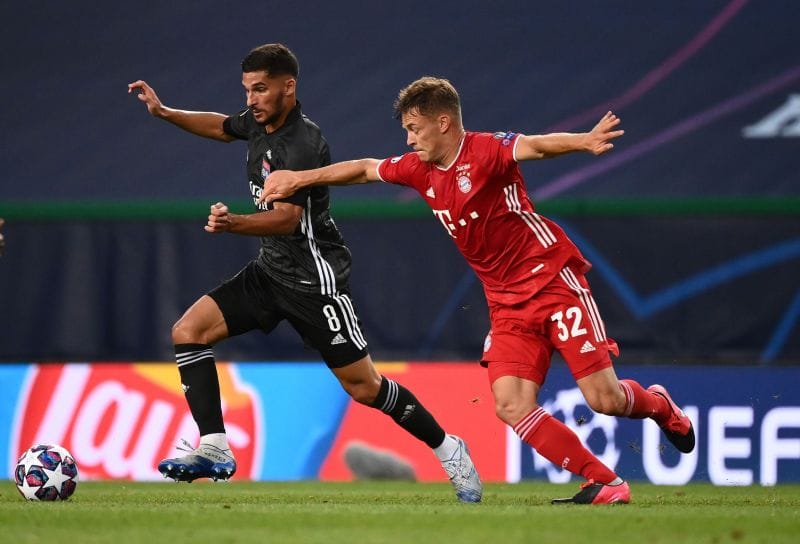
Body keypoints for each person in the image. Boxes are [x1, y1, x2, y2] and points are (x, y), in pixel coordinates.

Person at [260, 76, 696, 505]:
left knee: (605, 399)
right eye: (406, 131)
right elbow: (364, 168)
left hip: (552, 282)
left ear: (444, 122)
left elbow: (538, 145)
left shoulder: (487, 151)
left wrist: (584, 141)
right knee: (510, 405)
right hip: (506, 304)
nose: (409, 140)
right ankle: (606, 483)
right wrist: (299, 179)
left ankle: (659, 405)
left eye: (414, 128)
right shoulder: (418, 170)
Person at [128, 48, 482, 503]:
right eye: (247, 90)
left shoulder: (302, 142)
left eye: (260, 88)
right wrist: (164, 112)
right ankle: (214, 445)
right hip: (269, 272)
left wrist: (233, 222)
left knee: (365, 387)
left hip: (316, 283)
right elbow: (221, 126)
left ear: (287, 87)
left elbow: (287, 221)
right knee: (189, 331)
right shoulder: (258, 121)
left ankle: (449, 448)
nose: (252, 99)